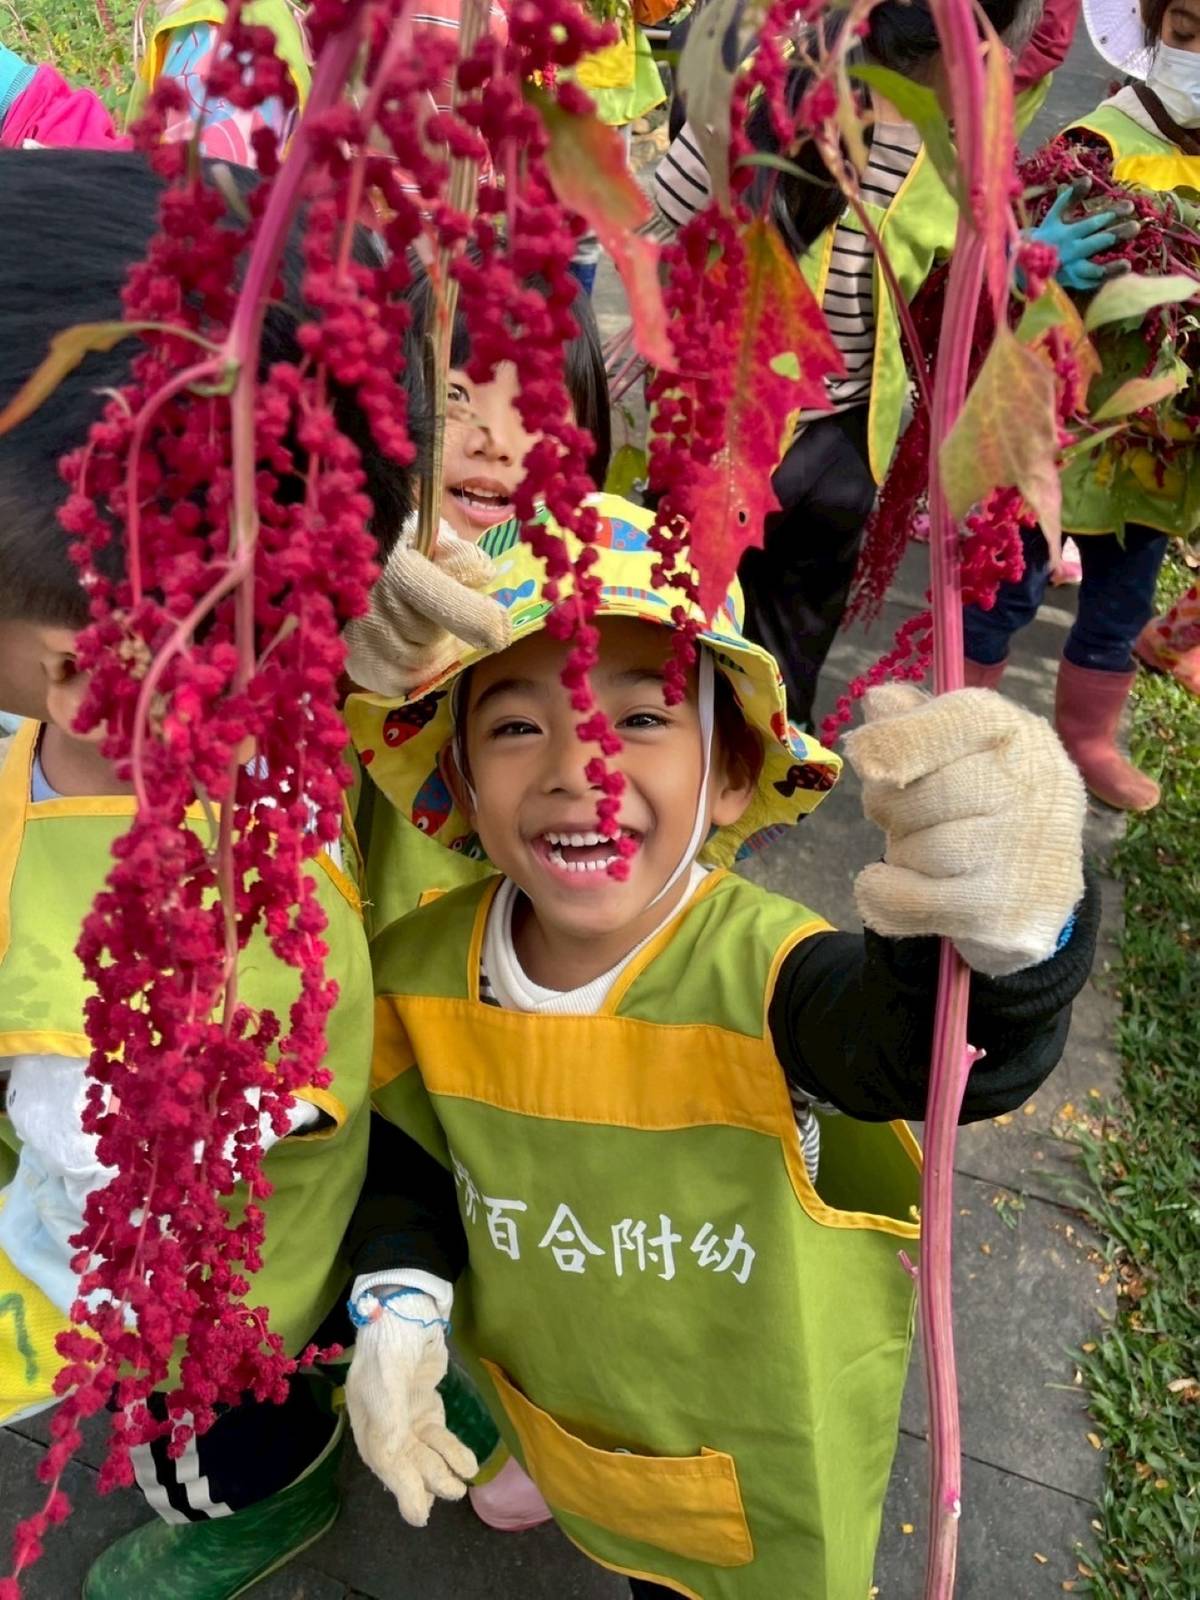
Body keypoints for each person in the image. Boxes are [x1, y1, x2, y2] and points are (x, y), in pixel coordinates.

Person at [338, 496, 1099, 1599]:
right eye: (515, 725)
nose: (576, 766)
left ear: (732, 773)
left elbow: (917, 1045)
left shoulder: (771, 976)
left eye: (641, 718)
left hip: (740, 1452)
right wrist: (397, 1296)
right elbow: (408, 1157)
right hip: (563, 1393)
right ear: (453, 775)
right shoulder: (419, 966)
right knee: (589, 1493)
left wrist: (1016, 932)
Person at [0, 148, 440, 1599]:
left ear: (81, 673)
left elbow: (95, 1200)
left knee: (205, 1435)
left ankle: (264, 1506)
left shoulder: (157, 952)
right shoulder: (244, 675)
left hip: (212, 1297)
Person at [650, 0, 1127, 731]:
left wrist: (1026, 261)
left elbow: (963, 278)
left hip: (846, 442)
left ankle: (744, 814)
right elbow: (652, 213)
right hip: (719, 434)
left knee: (780, 684)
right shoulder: (776, 80)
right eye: (994, 50)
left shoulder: (969, 137)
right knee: (672, 660)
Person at [963, 0, 1200, 808]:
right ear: (1152, 28)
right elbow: (997, 278)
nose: (1194, 53)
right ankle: (963, 732)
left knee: (1121, 600)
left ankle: (1088, 739)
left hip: (1158, 447)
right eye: (1186, 30)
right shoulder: (1096, 144)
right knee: (1007, 582)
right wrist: (1035, 263)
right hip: (1059, 429)